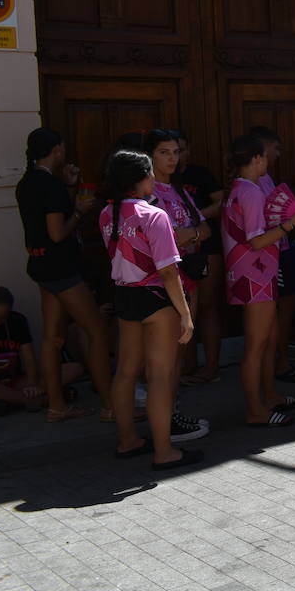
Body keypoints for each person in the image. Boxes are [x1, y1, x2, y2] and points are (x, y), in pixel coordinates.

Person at [99, 149, 201, 470]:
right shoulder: (155, 216)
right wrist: (185, 314)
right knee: (159, 377)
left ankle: (127, 440)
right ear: (143, 178)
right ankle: (164, 451)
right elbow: (168, 272)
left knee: (126, 371)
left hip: (125, 296)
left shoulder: (105, 213)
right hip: (156, 299)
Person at [14, 128, 116, 422]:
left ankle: (57, 406)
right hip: (61, 269)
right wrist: (81, 211)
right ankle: (110, 405)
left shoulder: (27, 182)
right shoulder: (51, 186)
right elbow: (58, 232)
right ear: (56, 150)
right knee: (95, 330)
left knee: (52, 337)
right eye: (62, 147)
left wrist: (70, 190)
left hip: (40, 265)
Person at [223, 134, 295, 427]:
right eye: (265, 156)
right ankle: (256, 411)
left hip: (256, 271)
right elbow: (257, 241)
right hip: (254, 273)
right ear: (257, 158)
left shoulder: (240, 188)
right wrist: (291, 224)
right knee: (256, 346)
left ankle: (269, 397)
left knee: (264, 340)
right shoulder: (250, 192)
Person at [143, 130, 211, 442]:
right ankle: (165, 423)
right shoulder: (147, 192)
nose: (172, 158)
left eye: (175, 151)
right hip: (163, 282)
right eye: (164, 152)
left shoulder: (179, 189)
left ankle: (172, 414)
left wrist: (191, 235)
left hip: (189, 278)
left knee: (180, 353)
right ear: (149, 156)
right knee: (165, 357)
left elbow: (205, 228)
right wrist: (184, 234)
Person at [175, 130, 226, 384]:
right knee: (183, 310)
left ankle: (212, 366)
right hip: (177, 251)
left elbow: (221, 203)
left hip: (206, 246)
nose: (176, 155)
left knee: (206, 306)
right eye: (170, 150)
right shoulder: (161, 180)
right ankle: (187, 365)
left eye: (180, 149)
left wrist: (194, 218)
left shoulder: (199, 174)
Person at [0, 286, 75, 411]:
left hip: (16, 381)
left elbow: (28, 355)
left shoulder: (17, 320)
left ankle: (10, 401)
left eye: (2, 318)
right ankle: (40, 400)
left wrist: (32, 384)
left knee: (74, 368)